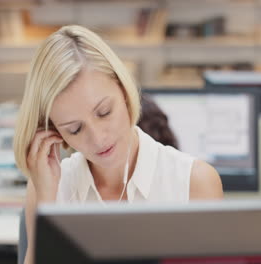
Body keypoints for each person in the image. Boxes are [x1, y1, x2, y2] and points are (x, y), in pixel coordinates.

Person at [13, 25, 223, 264]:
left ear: (124, 90)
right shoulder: (48, 189)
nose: (98, 138)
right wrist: (47, 204)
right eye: (75, 129)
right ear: (53, 132)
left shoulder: (193, 183)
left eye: (104, 112)